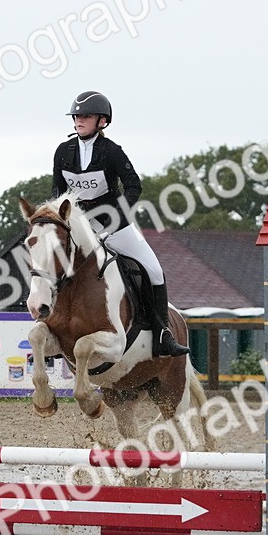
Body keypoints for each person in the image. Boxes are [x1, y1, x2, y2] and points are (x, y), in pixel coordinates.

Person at [50, 91, 189, 356]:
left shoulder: (111, 151)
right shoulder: (62, 152)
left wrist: (117, 217)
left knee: (155, 271)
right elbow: (58, 193)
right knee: (52, 264)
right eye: (77, 116)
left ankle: (161, 335)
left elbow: (134, 186)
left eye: (86, 116)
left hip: (116, 226)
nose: (79, 120)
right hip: (80, 228)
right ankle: (57, 330)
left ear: (102, 121)